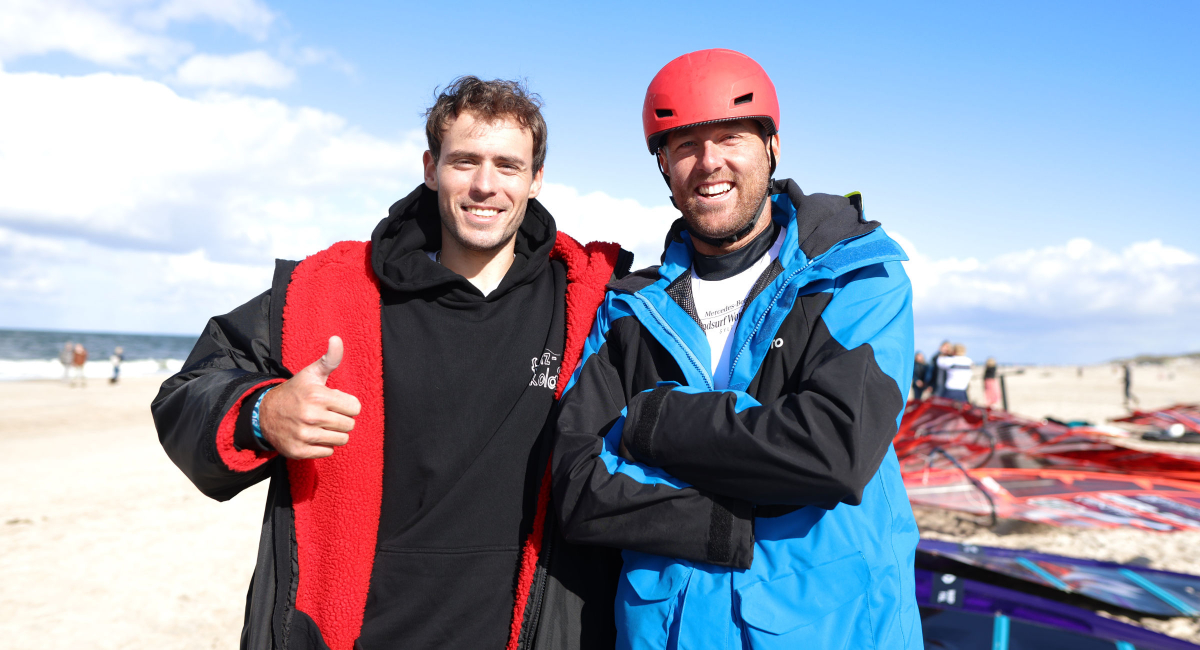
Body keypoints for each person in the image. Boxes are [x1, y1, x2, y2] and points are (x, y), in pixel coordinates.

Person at [152, 77, 631, 650]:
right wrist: (262, 412)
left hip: (530, 630)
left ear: (536, 178)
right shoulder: (331, 290)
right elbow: (188, 390)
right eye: (464, 161)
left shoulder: (591, 299)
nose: (485, 185)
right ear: (431, 169)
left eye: (507, 165)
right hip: (359, 631)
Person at [552, 49, 921, 649]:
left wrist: (649, 422)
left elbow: (833, 450)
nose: (709, 163)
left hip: (833, 632)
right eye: (684, 145)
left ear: (772, 147)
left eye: (731, 138)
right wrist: (728, 519)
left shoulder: (854, 277)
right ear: (663, 167)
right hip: (665, 632)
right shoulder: (630, 310)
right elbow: (577, 485)